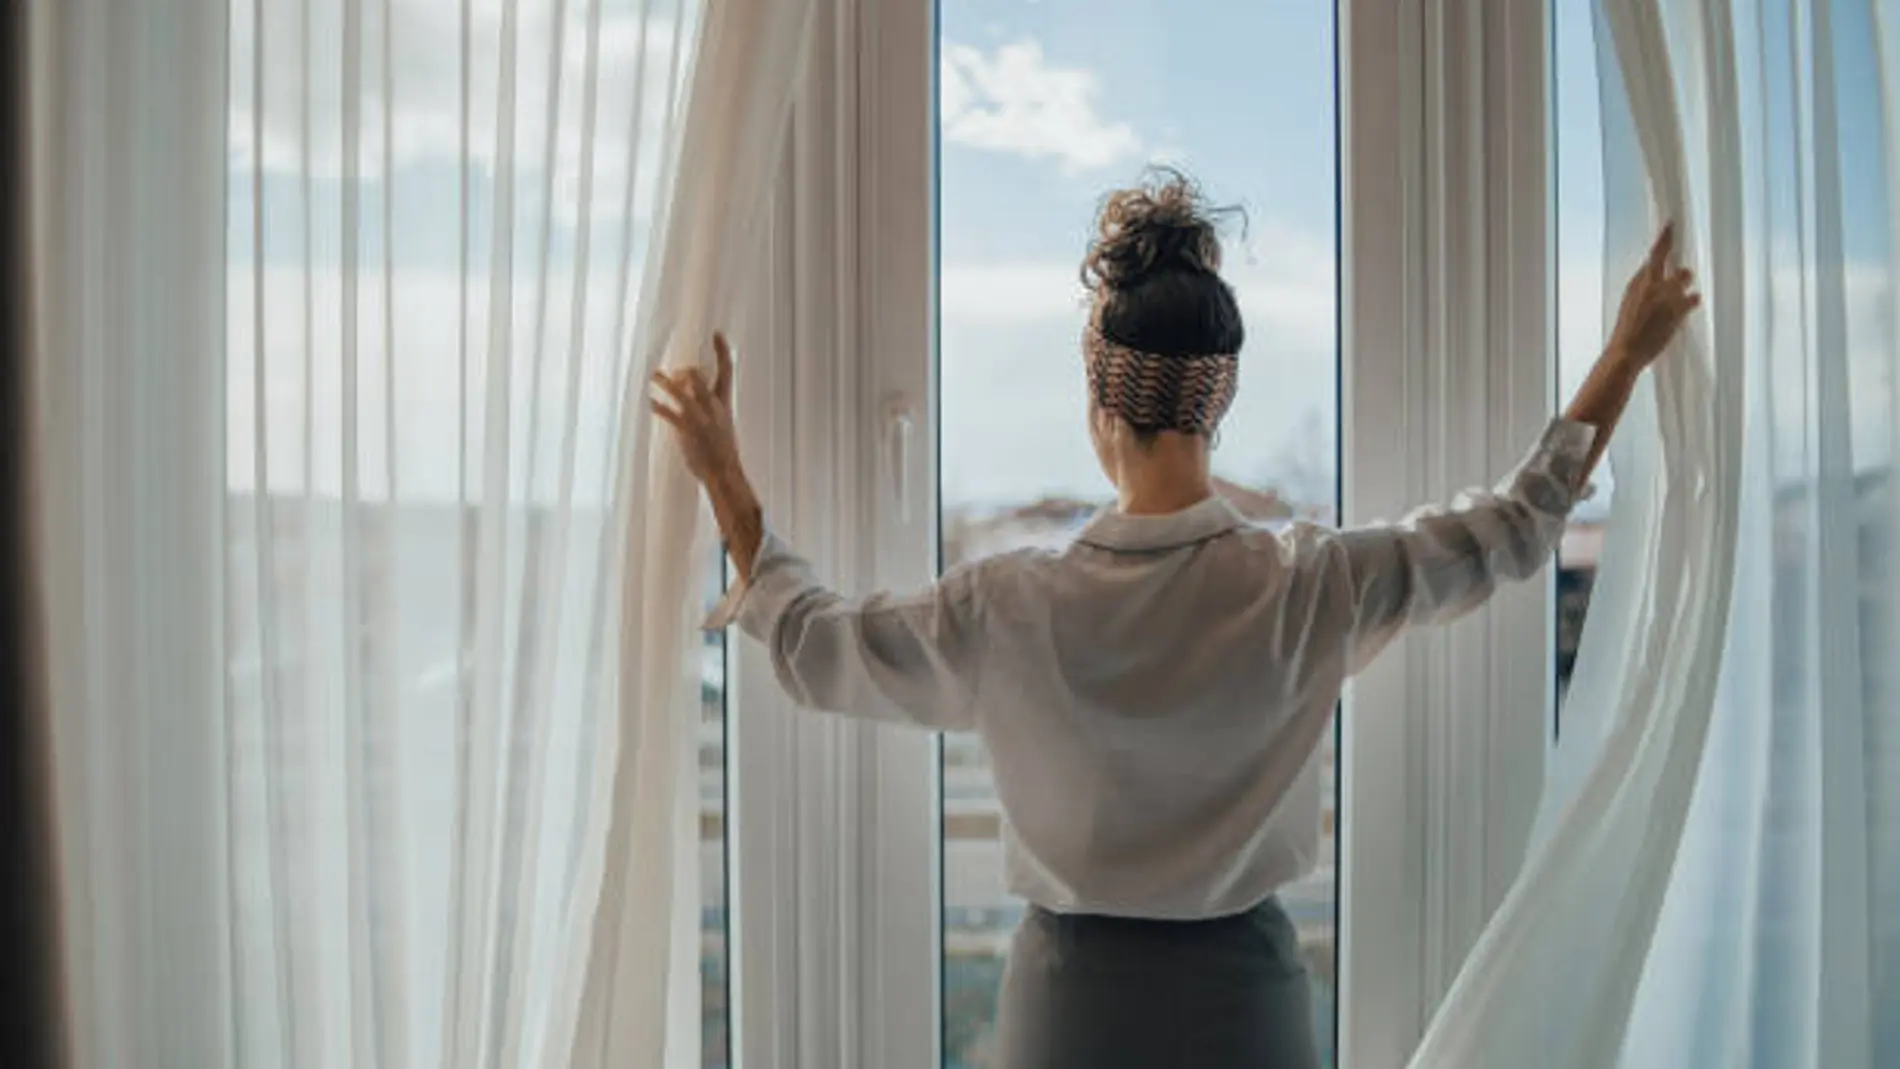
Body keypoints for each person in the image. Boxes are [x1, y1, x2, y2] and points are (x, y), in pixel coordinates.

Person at [650, 172, 1700, 1069]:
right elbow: (1517, 526)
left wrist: (723, 473)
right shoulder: (1307, 581)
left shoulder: (1008, 601)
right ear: (1218, 403)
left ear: (1100, 405)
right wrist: (1622, 354)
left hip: (1068, 1010)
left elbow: (815, 644)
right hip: (1247, 1003)